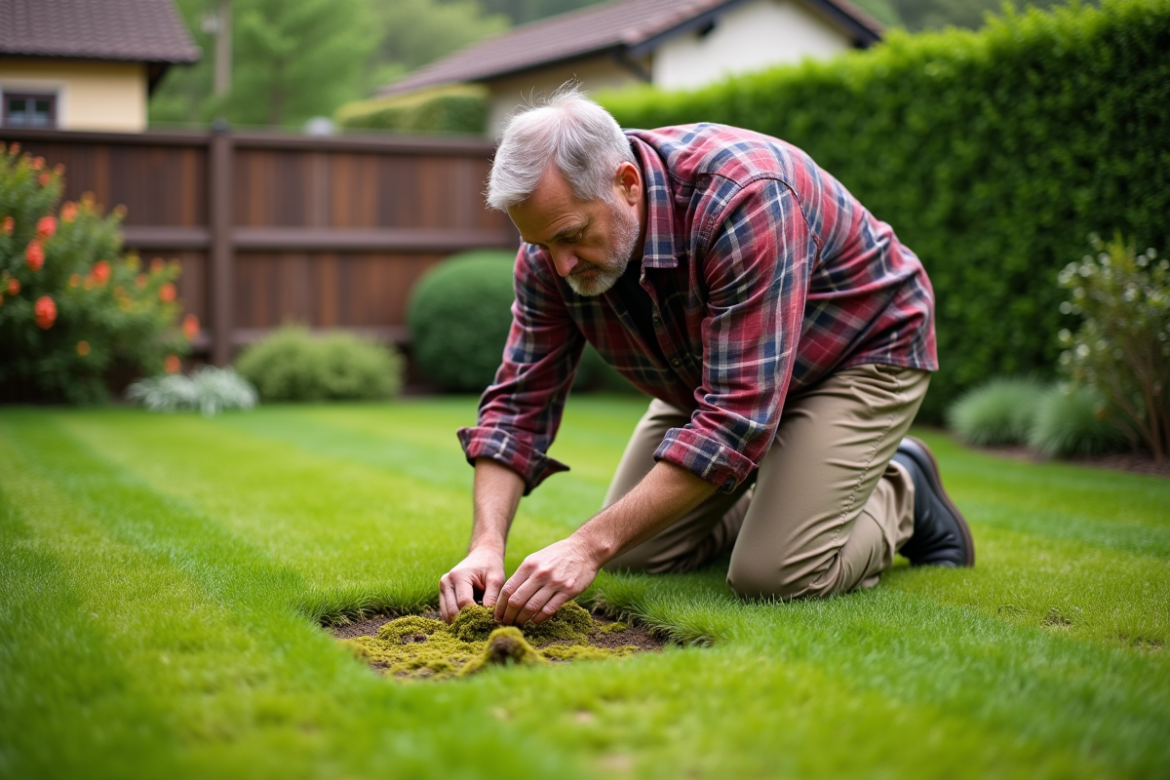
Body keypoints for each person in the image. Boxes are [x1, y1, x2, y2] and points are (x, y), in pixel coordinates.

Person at [438, 85, 973, 627]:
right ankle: (789, 496)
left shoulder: (745, 198)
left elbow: (735, 421)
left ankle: (904, 488)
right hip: (708, 376)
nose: (561, 265)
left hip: (857, 351)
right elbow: (516, 408)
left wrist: (586, 546)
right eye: (541, 245)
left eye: (572, 236)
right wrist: (486, 545)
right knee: (638, 554)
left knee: (776, 574)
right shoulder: (550, 256)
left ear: (626, 184)